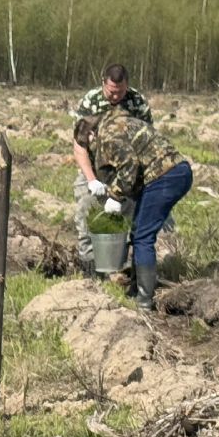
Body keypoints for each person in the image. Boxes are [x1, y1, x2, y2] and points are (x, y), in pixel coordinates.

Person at [77, 109, 193, 310]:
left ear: (91, 134)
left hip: (165, 175)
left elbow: (129, 163)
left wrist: (115, 196)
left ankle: (144, 300)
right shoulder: (117, 123)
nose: (91, 151)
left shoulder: (108, 135)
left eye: (89, 146)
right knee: (139, 229)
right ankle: (136, 288)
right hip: (174, 171)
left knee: (142, 236)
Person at [72, 63, 153, 277]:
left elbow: (146, 142)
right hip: (94, 167)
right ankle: (89, 270)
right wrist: (91, 180)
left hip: (126, 171)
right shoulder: (91, 101)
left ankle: (124, 269)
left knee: (130, 218)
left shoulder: (138, 103)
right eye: (111, 92)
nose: (115, 96)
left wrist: (126, 186)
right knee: (85, 212)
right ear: (103, 83)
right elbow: (79, 145)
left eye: (120, 92)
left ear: (127, 85)